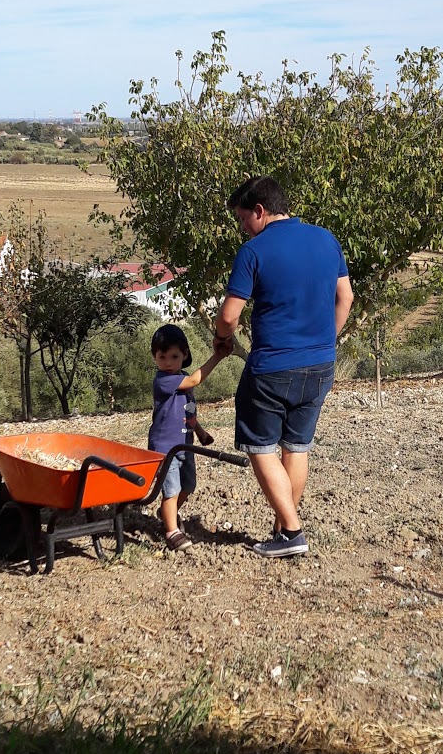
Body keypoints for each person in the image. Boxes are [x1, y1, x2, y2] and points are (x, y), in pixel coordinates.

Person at [213, 176, 353, 558]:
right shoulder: (326, 239)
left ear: (259, 211)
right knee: (296, 446)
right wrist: (325, 340)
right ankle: (282, 528)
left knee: (259, 447)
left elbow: (228, 316)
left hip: (272, 367)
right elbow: (346, 297)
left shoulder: (253, 251)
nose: (243, 228)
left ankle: (291, 531)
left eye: (243, 219)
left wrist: (221, 336)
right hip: (320, 365)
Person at [149, 323, 223, 553]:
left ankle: (167, 514)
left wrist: (200, 432)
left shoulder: (180, 378)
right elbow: (194, 380)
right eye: (162, 357)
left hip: (185, 446)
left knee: (188, 486)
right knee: (170, 490)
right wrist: (217, 356)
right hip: (165, 448)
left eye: (174, 356)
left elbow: (188, 412)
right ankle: (171, 531)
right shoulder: (164, 380)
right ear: (155, 357)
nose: (168, 362)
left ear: (184, 355)